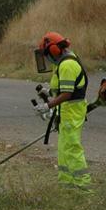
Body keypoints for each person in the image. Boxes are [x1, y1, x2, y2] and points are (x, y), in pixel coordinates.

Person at [34, 31, 91, 191]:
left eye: (47, 54)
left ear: (54, 50)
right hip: (67, 111)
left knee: (72, 147)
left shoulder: (67, 65)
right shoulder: (63, 63)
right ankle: (67, 183)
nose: (47, 58)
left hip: (71, 111)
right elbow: (61, 89)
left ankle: (83, 185)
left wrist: (48, 106)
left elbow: (67, 93)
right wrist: (49, 95)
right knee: (64, 148)